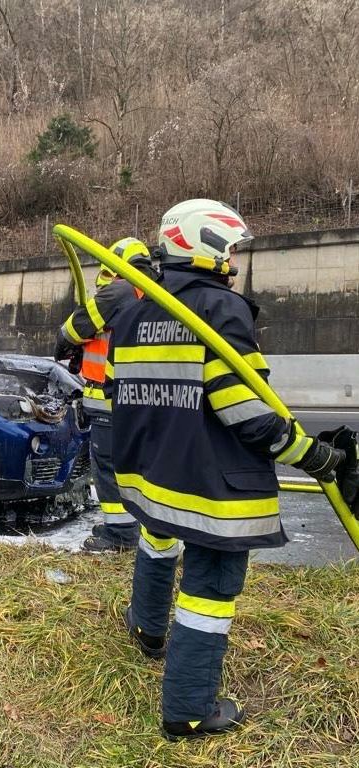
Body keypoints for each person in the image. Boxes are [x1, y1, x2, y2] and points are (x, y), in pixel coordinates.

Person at [105, 198, 359, 740]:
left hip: (154, 475)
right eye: (232, 246)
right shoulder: (220, 312)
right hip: (211, 486)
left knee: (157, 541)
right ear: (207, 243)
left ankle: (149, 629)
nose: (236, 257)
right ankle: (189, 709)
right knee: (210, 589)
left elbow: (119, 393)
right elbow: (247, 410)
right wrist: (310, 454)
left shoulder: (132, 313)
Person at [54, 237, 158, 552]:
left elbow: (73, 329)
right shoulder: (153, 293)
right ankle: (132, 526)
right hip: (141, 400)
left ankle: (120, 535)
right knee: (135, 470)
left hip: (109, 401)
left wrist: (68, 343)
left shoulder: (121, 289)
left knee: (109, 468)